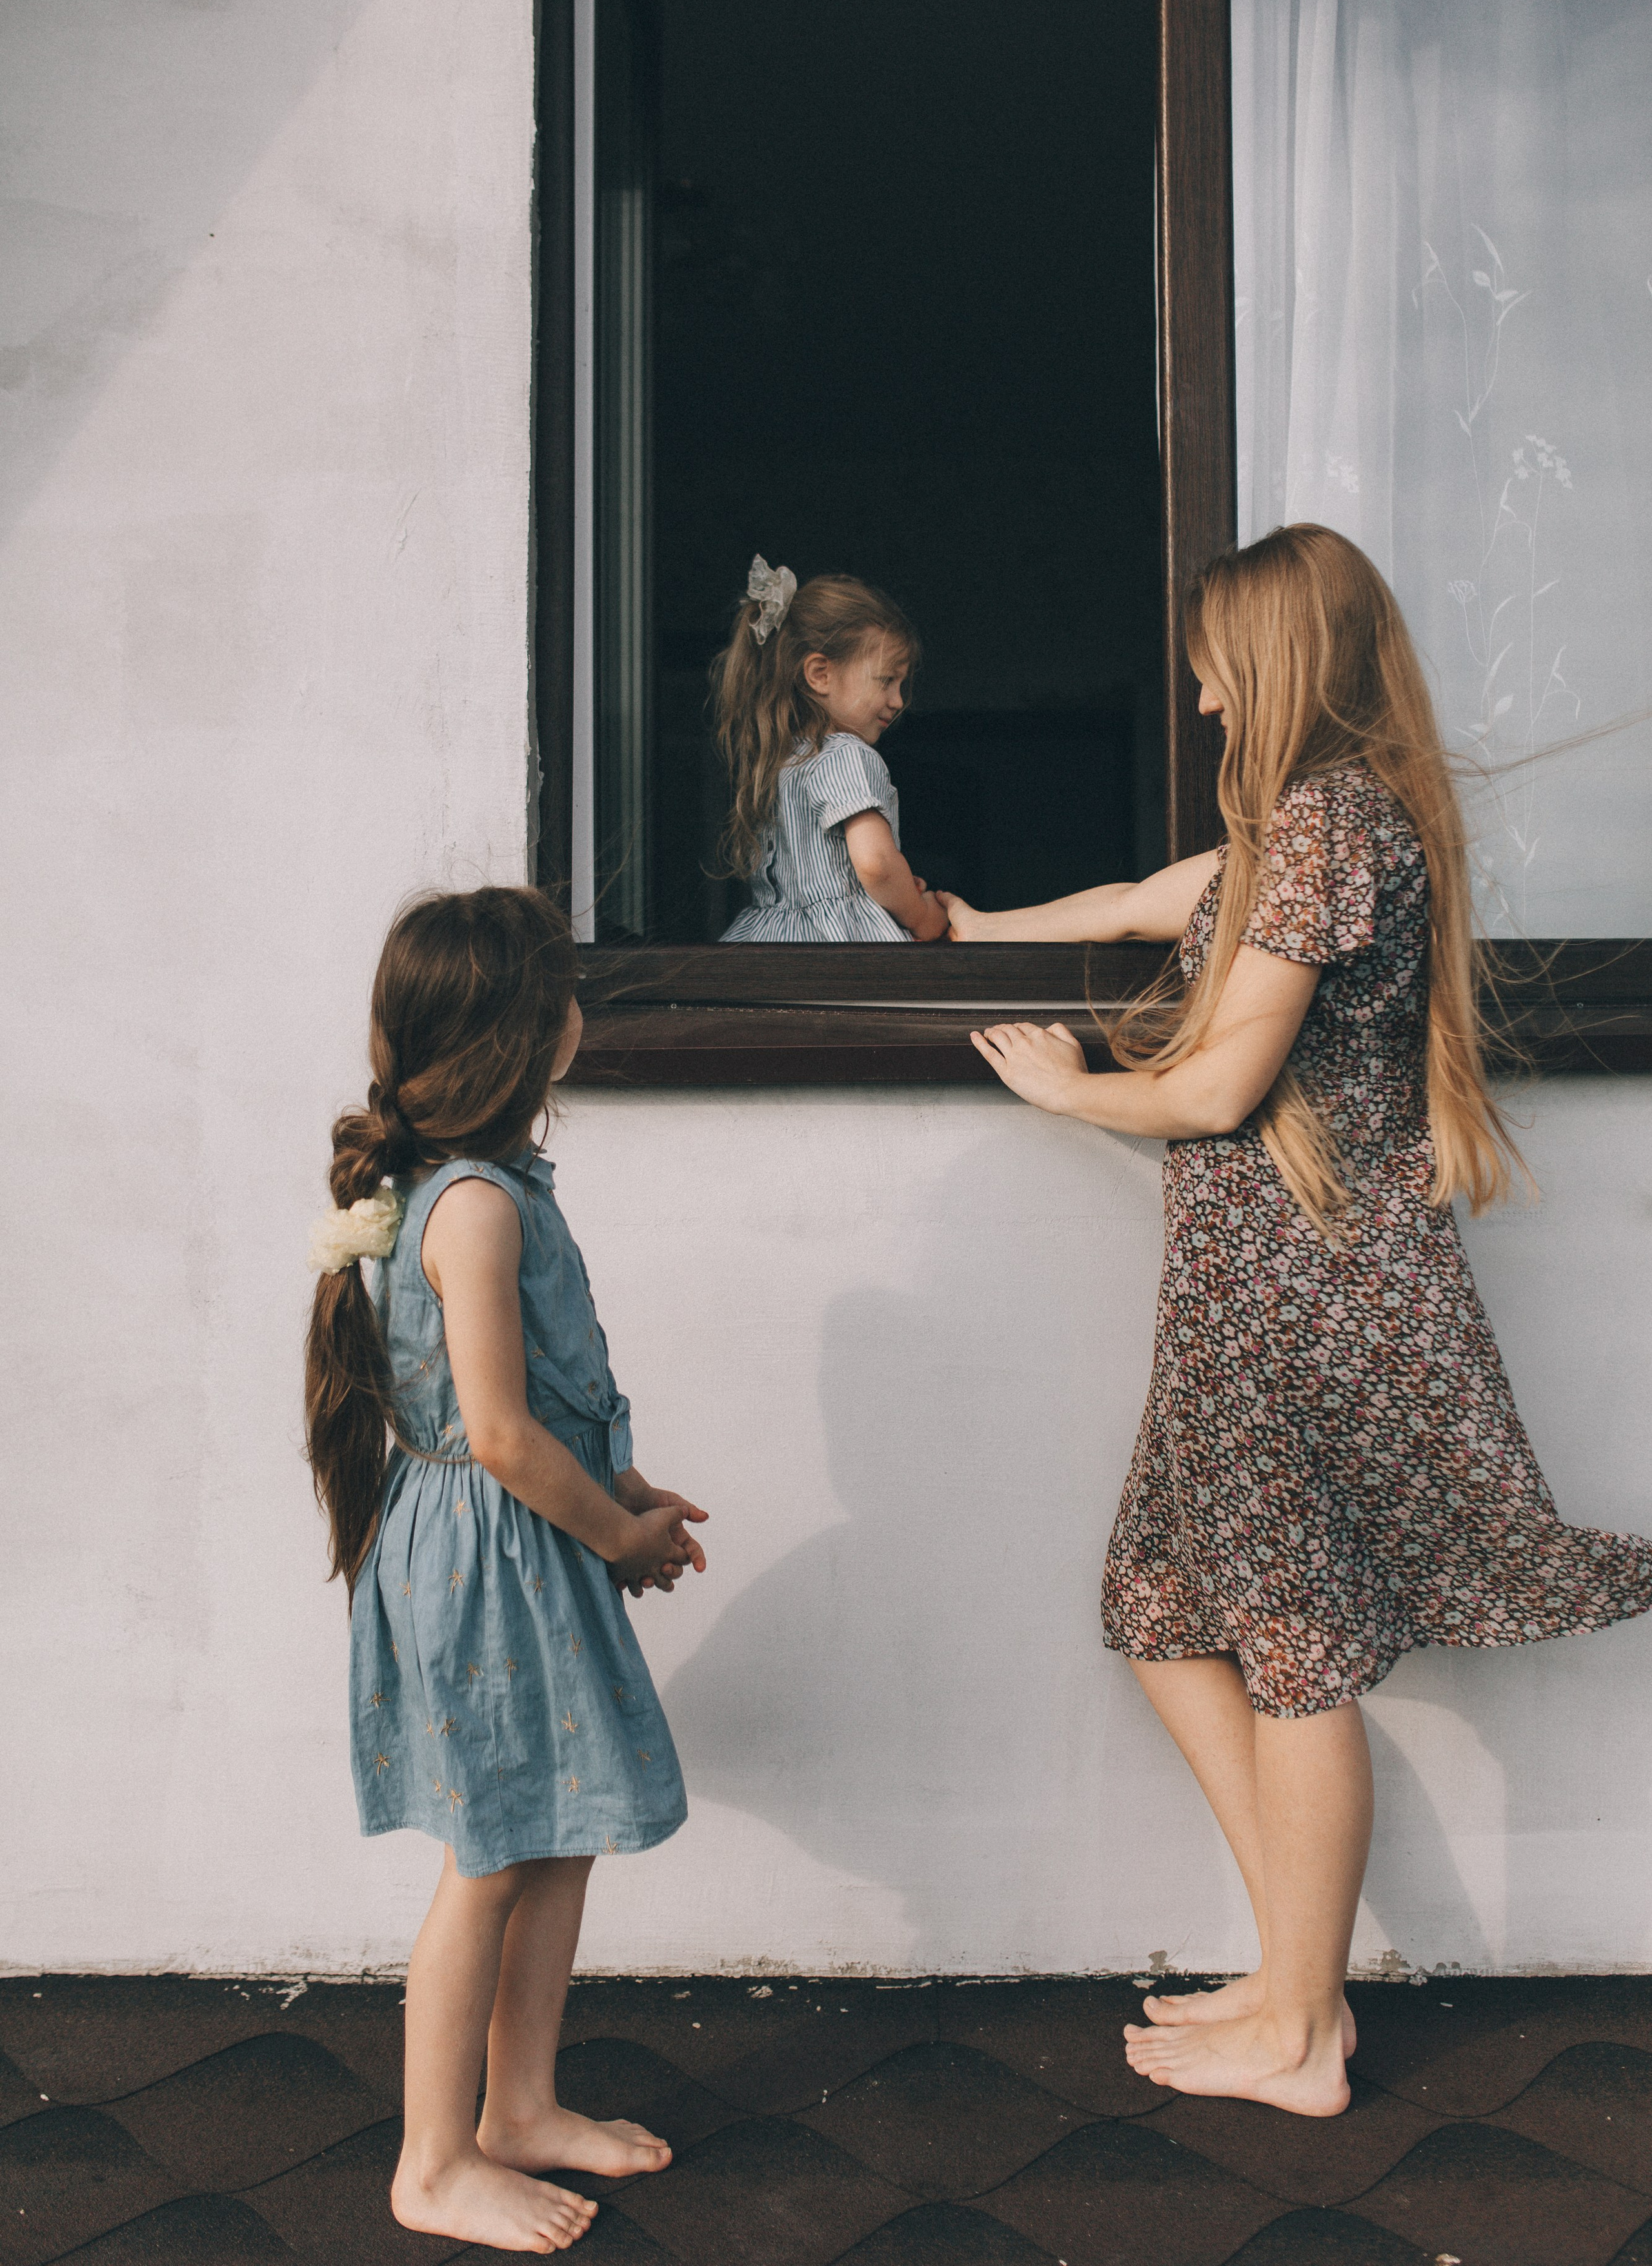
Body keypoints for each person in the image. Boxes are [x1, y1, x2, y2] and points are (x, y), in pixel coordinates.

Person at [942, 523, 1652, 2118]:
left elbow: (1214, 1083)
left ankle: (1297, 2020)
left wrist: (1071, 1089)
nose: (1192, 695)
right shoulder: (1302, 828)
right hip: (1252, 1284)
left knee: (1290, 1651)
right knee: (1160, 1603)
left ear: (1268, 662)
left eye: (1207, 661)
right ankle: (1291, 1973)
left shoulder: (1332, 826)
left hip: (1296, 1289)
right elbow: (1143, 902)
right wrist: (955, 928)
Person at [304, 887, 707, 2251]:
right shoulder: (470, 1205)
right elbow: (492, 1431)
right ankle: (432, 2161)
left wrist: (618, 1490)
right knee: (491, 1856)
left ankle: (518, 2104)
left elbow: (536, 1398)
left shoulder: (487, 1186)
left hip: (520, 1538)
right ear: (526, 1035)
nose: (581, 1015)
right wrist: (618, 1533)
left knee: (555, 1828)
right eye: (566, 993)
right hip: (494, 1557)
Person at [713, 555, 948, 942]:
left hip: (768, 940)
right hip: (841, 944)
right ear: (820, 675)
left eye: (902, 686)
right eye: (886, 681)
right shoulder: (845, 754)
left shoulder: (778, 760)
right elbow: (875, 865)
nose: (898, 700)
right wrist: (921, 913)